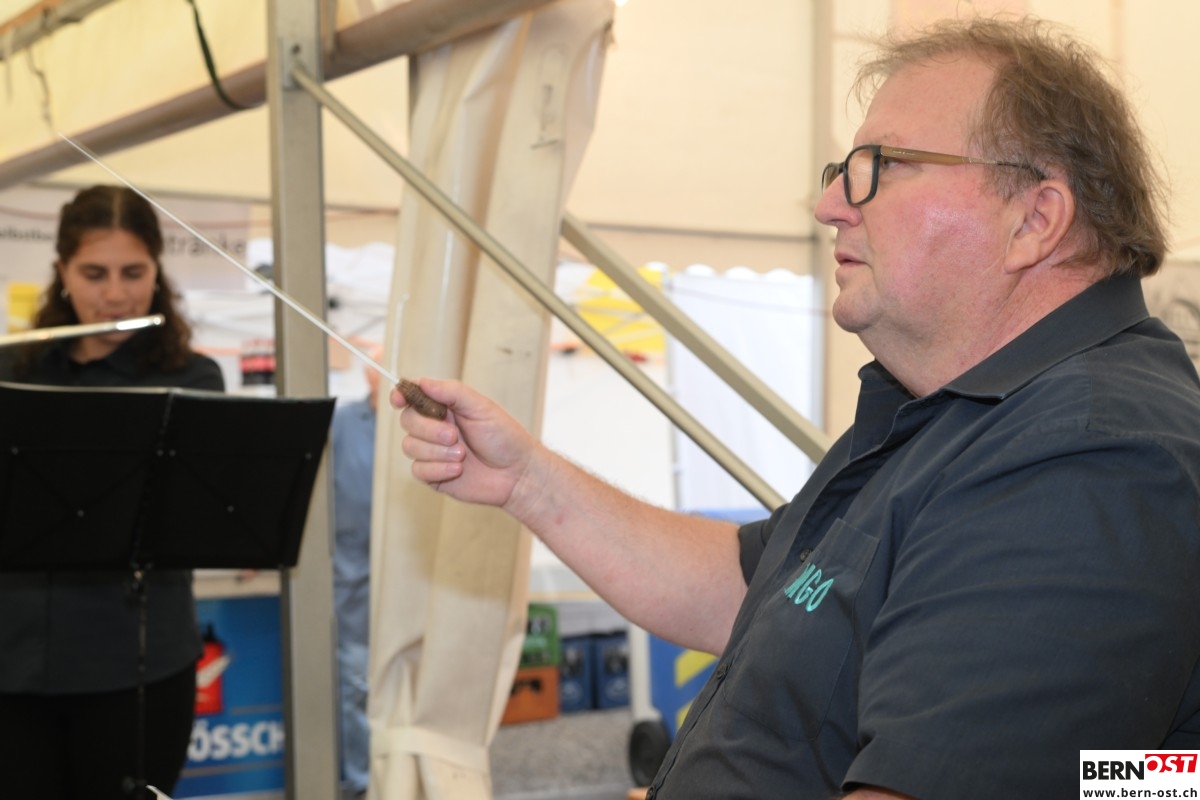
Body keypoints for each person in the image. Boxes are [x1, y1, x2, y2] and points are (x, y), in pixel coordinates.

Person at [393, 16, 1200, 800]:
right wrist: (528, 481)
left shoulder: (1088, 459)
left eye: (882, 166)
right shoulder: (944, 410)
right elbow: (748, 588)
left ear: (1034, 220)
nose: (831, 206)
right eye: (842, 171)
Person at [0, 185, 225, 799]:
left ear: (157, 270)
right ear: (62, 272)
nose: (116, 295)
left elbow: (196, 519)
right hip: (12, 666)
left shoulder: (192, 380)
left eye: (134, 272)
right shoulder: (12, 374)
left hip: (138, 668)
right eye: (94, 274)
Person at [330, 350, 382, 799]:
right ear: (369, 375)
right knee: (356, 687)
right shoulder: (342, 425)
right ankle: (364, 784)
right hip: (353, 588)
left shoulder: (431, 430)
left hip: (412, 588)